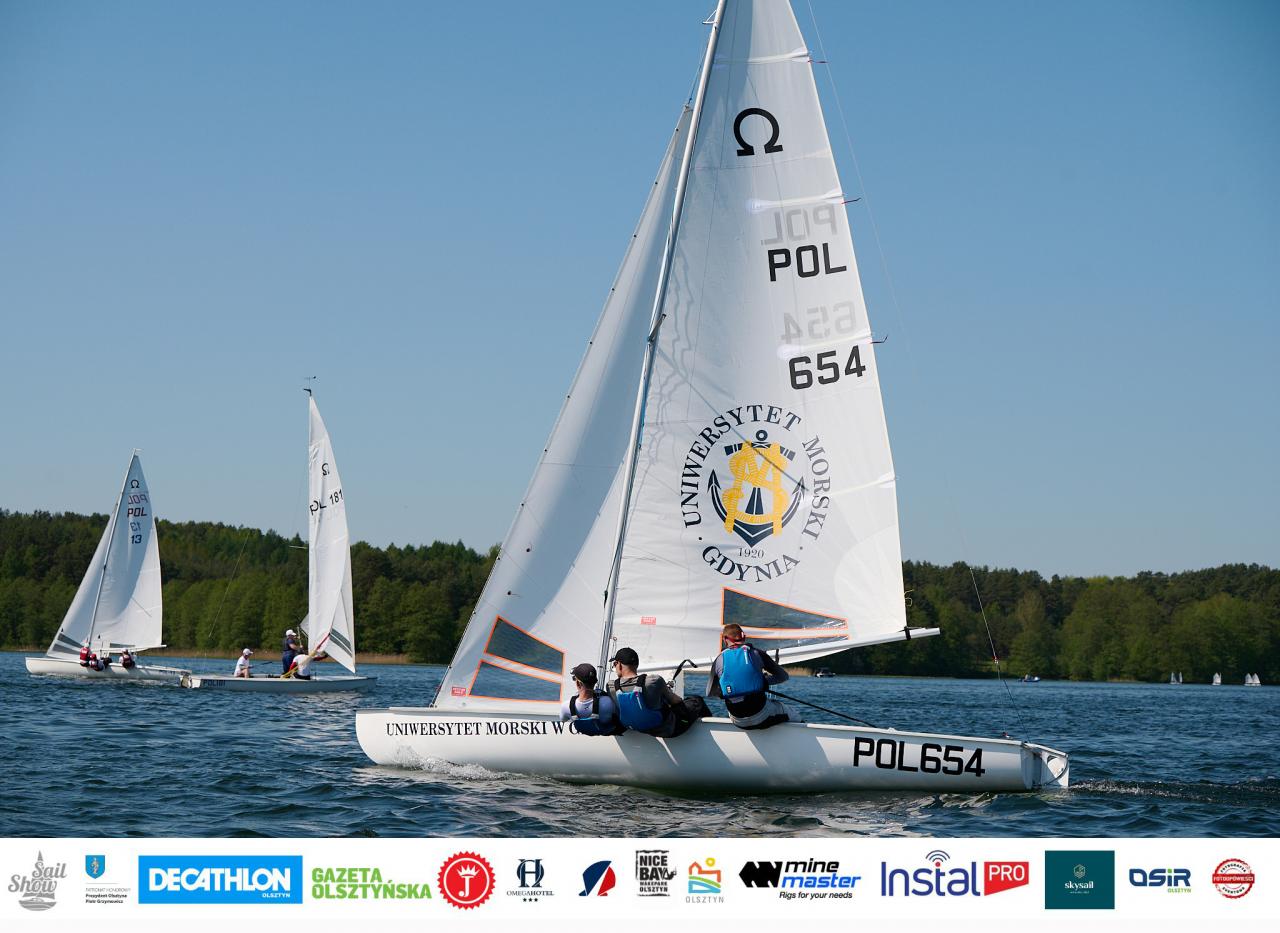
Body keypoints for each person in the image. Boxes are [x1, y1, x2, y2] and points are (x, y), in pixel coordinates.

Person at [706, 623, 794, 730]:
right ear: (743, 637)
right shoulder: (757, 653)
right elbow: (783, 676)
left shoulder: (719, 659)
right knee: (790, 712)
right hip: (761, 715)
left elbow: (709, 692)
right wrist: (763, 681)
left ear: (725, 639)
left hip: (737, 721)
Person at [607, 647, 707, 739]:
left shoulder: (611, 687)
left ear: (619, 665)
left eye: (614, 664)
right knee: (697, 700)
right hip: (667, 730)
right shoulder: (653, 681)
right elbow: (676, 701)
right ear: (637, 665)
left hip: (635, 727)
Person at [560, 662, 624, 736]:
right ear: (595, 682)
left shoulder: (566, 706)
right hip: (604, 731)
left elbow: (563, 719)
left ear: (578, 683)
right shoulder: (609, 702)